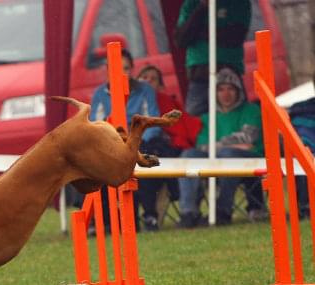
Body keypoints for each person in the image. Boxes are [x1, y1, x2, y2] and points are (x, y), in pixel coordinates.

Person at [178, 67, 266, 228]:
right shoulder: (207, 117)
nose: (226, 94)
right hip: (217, 161)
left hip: (251, 162)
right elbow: (202, 146)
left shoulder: (251, 110)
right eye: (221, 89)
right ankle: (188, 213)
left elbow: (249, 139)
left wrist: (219, 146)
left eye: (230, 89)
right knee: (189, 155)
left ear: (238, 90)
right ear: (214, 93)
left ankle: (222, 211)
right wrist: (232, 142)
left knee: (227, 154)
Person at [86, 49, 163, 232]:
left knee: (144, 160)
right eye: (117, 68)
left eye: (126, 68)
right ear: (107, 70)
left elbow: (153, 124)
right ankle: (99, 221)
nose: (123, 73)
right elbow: (94, 127)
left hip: (140, 143)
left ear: (133, 69)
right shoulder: (99, 94)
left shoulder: (145, 90)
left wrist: (133, 144)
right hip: (109, 146)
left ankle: (149, 215)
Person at [137, 65, 203, 228]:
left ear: (161, 85)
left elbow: (184, 129)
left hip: (169, 151)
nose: (148, 81)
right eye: (144, 78)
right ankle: (148, 217)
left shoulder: (168, 102)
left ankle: (156, 216)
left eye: (153, 79)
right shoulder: (132, 102)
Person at [175, 0, 251, 116]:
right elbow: (181, 39)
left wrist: (199, 33)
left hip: (229, 74)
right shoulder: (191, 4)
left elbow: (235, 36)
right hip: (200, 75)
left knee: (238, 117)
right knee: (194, 122)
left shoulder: (239, 3)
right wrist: (202, 8)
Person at [288, 76, 315, 219]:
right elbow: (297, 134)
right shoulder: (300, 109)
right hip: (305, 152)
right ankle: (305, 207)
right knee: (301, 158)